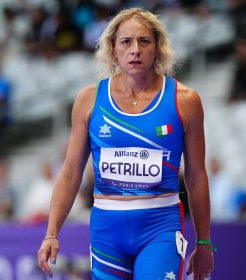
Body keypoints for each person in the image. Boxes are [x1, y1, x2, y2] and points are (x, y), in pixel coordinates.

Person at [37, 7, 214, 280]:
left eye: (144, 41)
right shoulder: (89, 100)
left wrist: (203, 242)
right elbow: (71, 174)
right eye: (126, 42)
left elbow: (196, 176)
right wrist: (51, 233)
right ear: (112, 48)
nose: (135, 50)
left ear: (157, 48)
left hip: (160, 227)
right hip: (108, 231)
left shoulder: (184, 100)